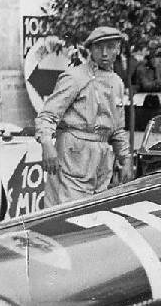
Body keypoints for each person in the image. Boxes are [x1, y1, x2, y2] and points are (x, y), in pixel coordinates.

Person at [35, 26, 132, 207]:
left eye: (110, 47)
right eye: (99, 47)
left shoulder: (117, 82)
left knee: (96, 211)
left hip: (102, 158)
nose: (104, 53)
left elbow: (118, 128)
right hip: (74, 155)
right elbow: (47, 115)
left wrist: (125, 158)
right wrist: (47, 144)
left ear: (118, 49)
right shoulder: (75, 77)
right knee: (68, 210)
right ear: (90, 50)